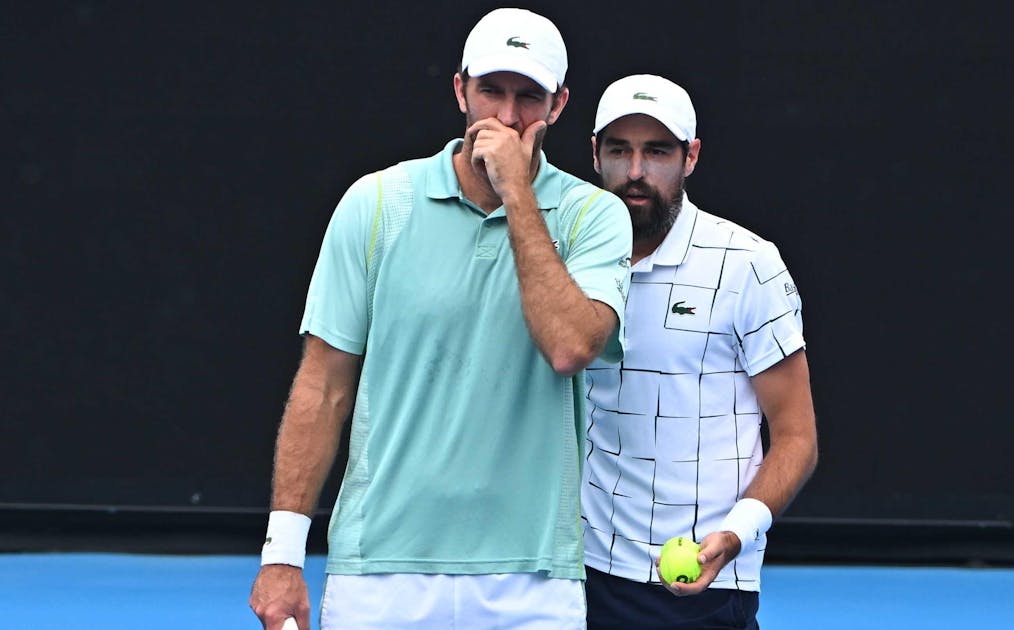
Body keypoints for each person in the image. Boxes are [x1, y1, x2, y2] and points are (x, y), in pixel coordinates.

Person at [249, 9, 632, 630]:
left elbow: (569, 347)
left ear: (559, 105)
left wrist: (516, 193)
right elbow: (323, 386)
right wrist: (283, 555)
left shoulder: (595, 217)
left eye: (528, 98)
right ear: (460, 89)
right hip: (379, 575)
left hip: (532, 581)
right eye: (492, 92)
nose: (507, 119)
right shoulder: (375, 205)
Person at [580, 74, 819, 629]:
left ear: (691, 157)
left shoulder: (748, 264)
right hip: (578, 576)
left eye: (657, 151)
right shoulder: (565, 257)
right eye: (620, 150)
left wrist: (736, 533)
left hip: (704, 587)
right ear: (595, 154)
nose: (636, 172)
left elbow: (797, 437)